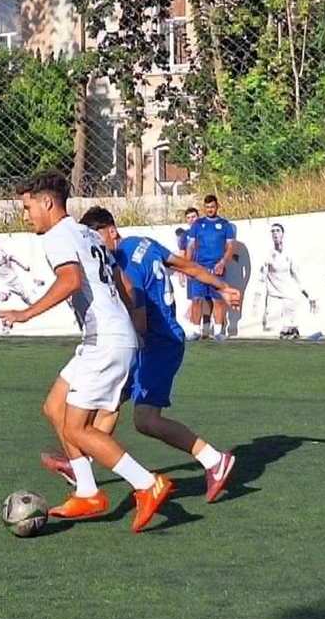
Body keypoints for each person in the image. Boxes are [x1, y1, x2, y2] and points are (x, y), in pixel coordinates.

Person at [0, 171, 171, 533]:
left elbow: (71, 280)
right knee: (54, 407)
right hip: (104, 337)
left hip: (105, 340)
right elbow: (125, 283)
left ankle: (146, 483)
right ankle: (87, 491)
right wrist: (128, 323)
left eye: (27, 208)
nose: (26, 216)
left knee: (78, 429)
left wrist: (25, 313)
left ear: (47, 202)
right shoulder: (87, 233)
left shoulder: (58, 236)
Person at [40, 207, 239, 503]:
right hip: (152, 341)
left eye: (96, 237)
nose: (92, 244)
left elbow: (140, 321)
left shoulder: (124, 265)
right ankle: (83, 466)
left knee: (146, 420)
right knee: (109, 403)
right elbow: (187, 266)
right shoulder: (143, 243)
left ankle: (213, 459)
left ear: (111, 231)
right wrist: (223, 286)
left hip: (156, 344)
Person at [186, 195, 235, 340]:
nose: (210, 210)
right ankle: (196, 331)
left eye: (212, 207)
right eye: (207, 207)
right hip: (200, 268)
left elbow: (230, 247)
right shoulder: (197, 224)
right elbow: (190, 246)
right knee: (196, 299)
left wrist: (222, 262)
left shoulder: (225, 225)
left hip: (217, 269)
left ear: (217, 206)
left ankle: (218, 331)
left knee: (217, 300)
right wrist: (187, 266)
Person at [255, 223, 317, 339]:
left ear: (282, 234)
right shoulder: (268, 256)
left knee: (292, 332)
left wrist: (309, 296)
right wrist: (256, 303)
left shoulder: (289, 255)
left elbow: (298, 277)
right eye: (273, 231)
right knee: (272, 332)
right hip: (274, 299)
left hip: (289, 298)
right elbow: (261, 280)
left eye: (278, 231)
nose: (275, 234)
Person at [0, 236, 36, 332]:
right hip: (5, 284)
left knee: (27, 299)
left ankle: (37, 310)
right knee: (0, 298)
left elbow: (14, 258)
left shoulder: (3, 253)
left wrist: (24, 266)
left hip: (14, 281)